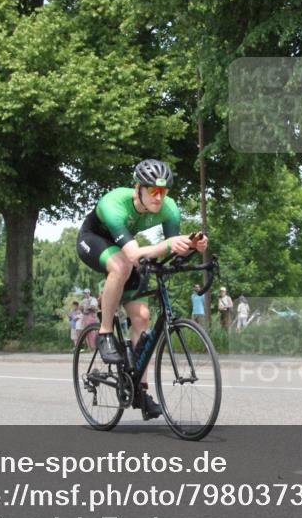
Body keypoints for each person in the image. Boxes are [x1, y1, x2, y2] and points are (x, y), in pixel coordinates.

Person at [76, 159, 208, 420]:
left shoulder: (169, 209)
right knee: (122, 266)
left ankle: (140, 389)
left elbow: (171, 251)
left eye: (164, 192)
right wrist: (170, 244)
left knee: (143, 317)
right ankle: (104, 333)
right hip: (93, 241)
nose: (159, 198)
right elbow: (135, 254)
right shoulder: (114, 204)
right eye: (153, 191)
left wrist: (192, 246)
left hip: (125, 249)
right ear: (138, 188)